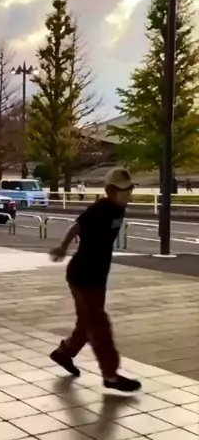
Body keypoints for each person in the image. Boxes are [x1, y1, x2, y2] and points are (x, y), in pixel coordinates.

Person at [49, 167, 141, 393]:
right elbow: (77, 225)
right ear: (110, 190)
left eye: (129, 189)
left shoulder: (118, 208)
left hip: (97, 275)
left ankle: (63, 353)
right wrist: (63, 246)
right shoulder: (101, 208)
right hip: (83, 274)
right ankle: (110, 375)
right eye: (122, 189)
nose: (127, 193)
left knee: (87, 321)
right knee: (98, 324)